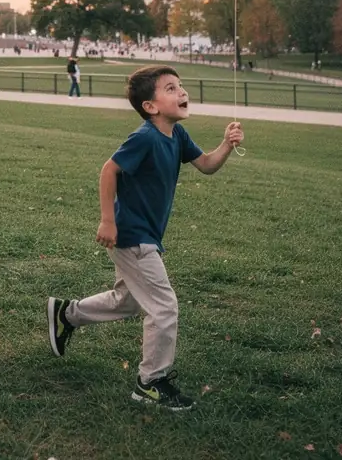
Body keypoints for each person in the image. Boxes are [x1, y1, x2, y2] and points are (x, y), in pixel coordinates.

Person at [46, 65, 244, 411]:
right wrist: (107, 220)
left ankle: (68, 314)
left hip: (145, 234)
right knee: (164, 307)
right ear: (150, 106)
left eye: (181, 87)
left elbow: (208, 165)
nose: (182, 93)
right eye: (170, 88)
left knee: (127, 301)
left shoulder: (177, 136)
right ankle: (151, 382)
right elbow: (110, 170)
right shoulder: (146, 137)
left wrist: (227, 144)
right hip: (131, 234)